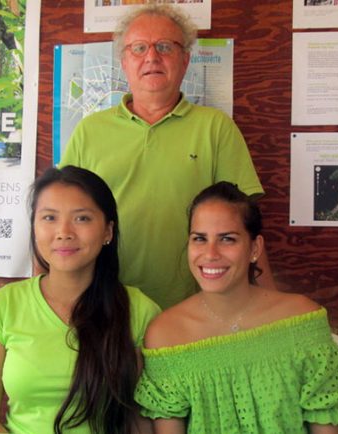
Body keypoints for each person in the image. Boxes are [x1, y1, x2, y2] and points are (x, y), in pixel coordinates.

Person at [60, 4, 272, 309]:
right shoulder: (89, 131)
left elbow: (246, 226)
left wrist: (270, 310)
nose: (151, 57)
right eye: (138, 48)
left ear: (185, 60)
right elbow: (59, 217)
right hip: (105, 307)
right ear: (123, 62)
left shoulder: (215, 128)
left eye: (164, 46)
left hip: (196, 308)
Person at [135, 182, 338, 434]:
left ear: (255, 248)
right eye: (199, 238)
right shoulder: (165, 333)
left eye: (227, 239)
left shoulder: (302, 319)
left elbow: (325, 424)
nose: (210, 254)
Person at [0, 165, 160, 434]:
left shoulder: (139, 310)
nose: (64, 232)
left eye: (82, 219)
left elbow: (140, 417)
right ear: (34, 227)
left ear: (108, 231)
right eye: (49, 218)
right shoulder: (1, 308)